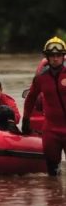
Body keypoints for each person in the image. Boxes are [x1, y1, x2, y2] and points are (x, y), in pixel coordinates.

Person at [23, 36, 66, 176]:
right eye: (52, 55)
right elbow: (30, 98)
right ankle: (55, 196)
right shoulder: (41, 77)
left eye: (58, 55)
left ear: (63, 56)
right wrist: (25, 119)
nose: (55, 58)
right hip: (51, 130)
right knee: (52, 175)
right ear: (47, 57)